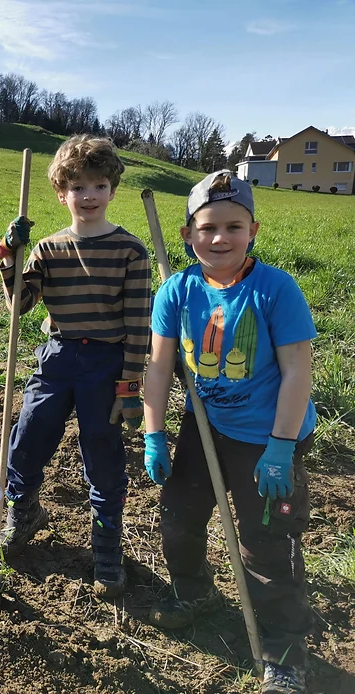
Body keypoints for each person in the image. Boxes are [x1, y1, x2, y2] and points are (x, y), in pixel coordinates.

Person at [143, 171, 316, 694]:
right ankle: (196, 592)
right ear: (187, 234)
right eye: (208, 227)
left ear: (253, 230)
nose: (220, 238)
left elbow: (297, 373)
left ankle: (284, 651)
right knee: (179, 514)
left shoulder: (275, 289)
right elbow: (157, 365)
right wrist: (154, 433)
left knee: (267, 542)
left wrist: (281, 448)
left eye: (233, 227)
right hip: (206, 426)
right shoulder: (176, 289)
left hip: (271, 435)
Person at [0, 134, 152, 599]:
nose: (88, 196)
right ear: (61, 193)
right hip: (57, 357)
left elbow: (138, 321)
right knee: (28, 434)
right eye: (78, 187)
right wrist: (10, 256)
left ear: (112, 190)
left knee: (103, 452)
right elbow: (20, 305)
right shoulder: (45, 248)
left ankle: (106, 544)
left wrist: (130, 384)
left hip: (106, 362)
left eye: (99, 185)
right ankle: (24, 510)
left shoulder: (130, 251)